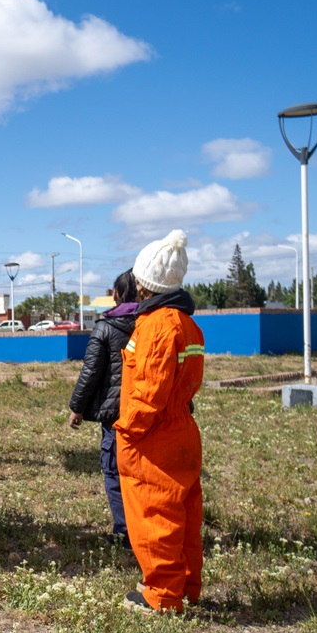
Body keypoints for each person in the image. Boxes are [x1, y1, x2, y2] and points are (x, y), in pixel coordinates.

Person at [115, 230, 205, 613]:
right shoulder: (187, 325)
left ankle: (163, 598)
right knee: (183, 515)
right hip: (182, 429)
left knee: (155, 515)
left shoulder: (155, 327)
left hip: (154, 437)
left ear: (144, 283)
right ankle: (186, 586)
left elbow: (149, 392)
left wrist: (126, 429)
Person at [67, 269, 139, 547]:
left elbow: (91, 372)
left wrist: (77, 408)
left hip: (115, 414)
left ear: (116, 295)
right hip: (147, 410)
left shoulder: (105, 327)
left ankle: (124, 533)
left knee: (114, 470)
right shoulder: (150, 324)